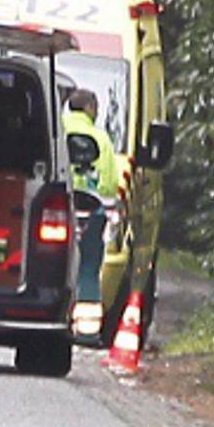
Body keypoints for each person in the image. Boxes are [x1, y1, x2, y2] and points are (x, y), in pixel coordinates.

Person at [63, 89, 118, 313]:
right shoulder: (101, 138)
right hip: (91, 210)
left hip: (58, 206)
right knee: (88, 266)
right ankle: (86, 322)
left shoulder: (58, 128)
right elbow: (110, 183)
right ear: (89, 108)